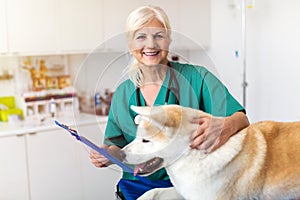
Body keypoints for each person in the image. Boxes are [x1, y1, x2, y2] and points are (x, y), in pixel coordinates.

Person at [90, 5, 250, 200]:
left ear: (169, 40)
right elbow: (117, 147)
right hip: (135, 189)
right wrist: (107, 154)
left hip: (188, 187)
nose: (151, 44)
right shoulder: (124, 92)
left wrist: (225, 125)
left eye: (159, 35)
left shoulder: (197, 78)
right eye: (141, 37)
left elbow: (241, 118)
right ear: (130, 44)